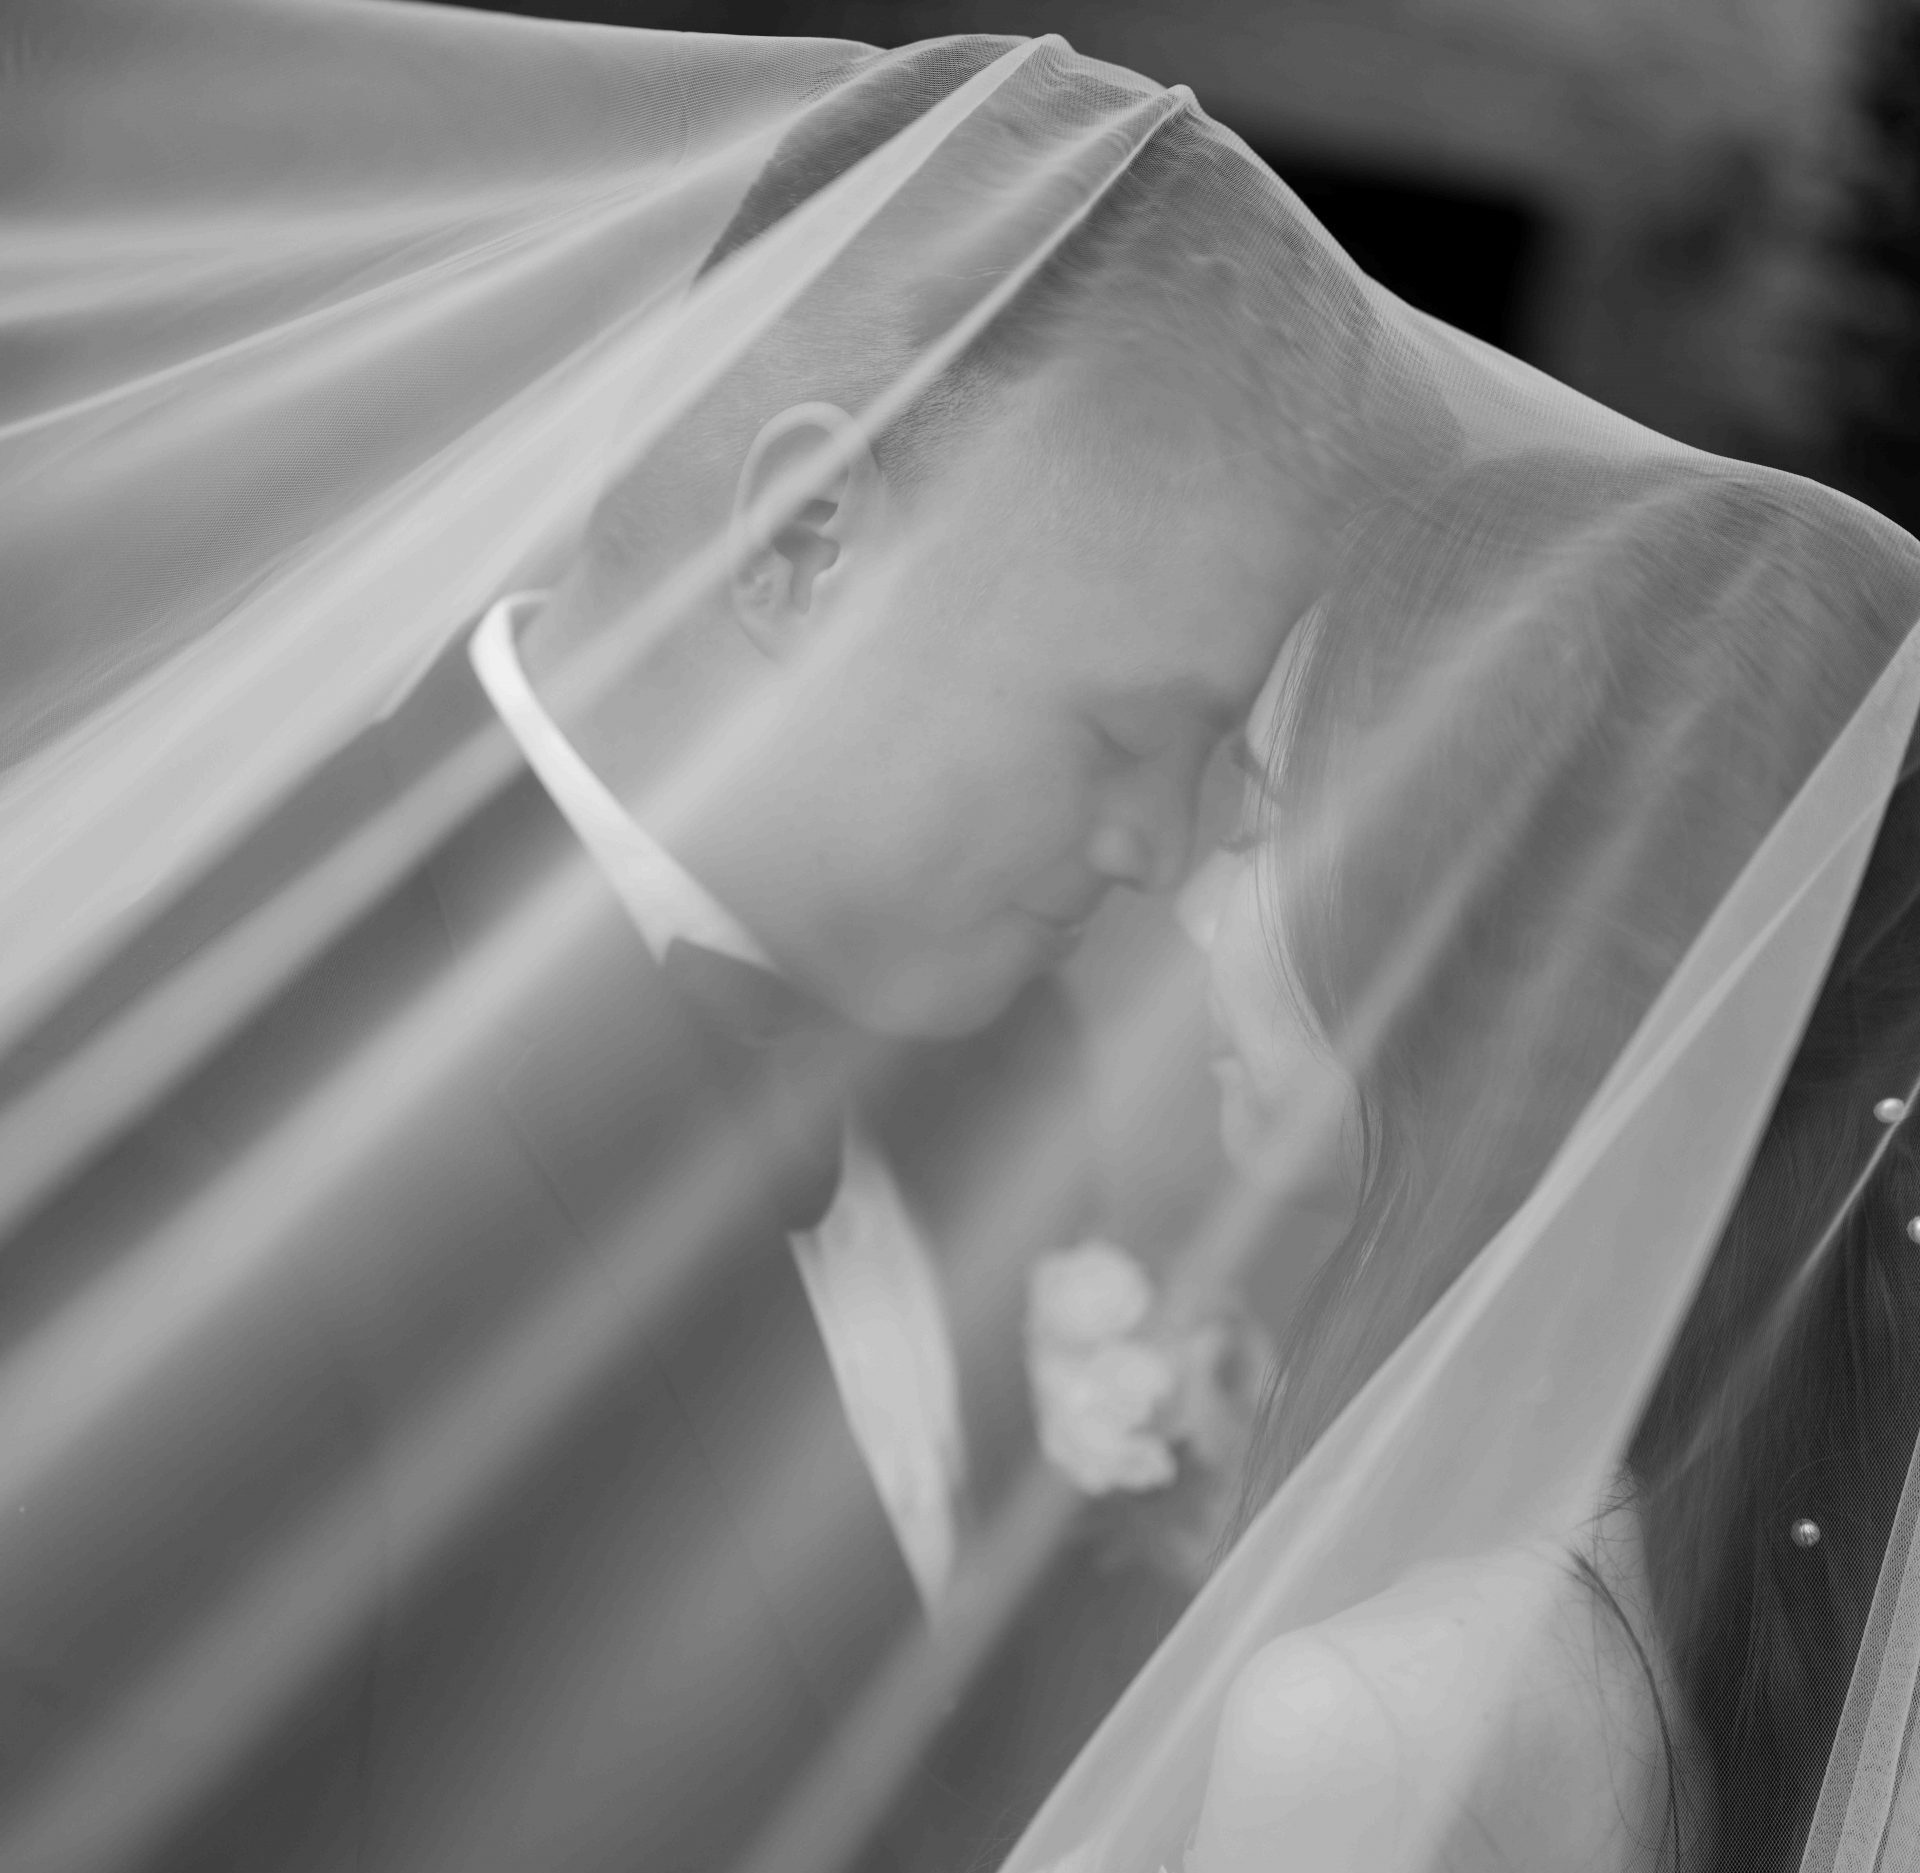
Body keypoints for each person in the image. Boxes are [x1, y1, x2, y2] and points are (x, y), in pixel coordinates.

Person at [0, 29, 1417, 1873]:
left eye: (1211, 758)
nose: (1161, 850)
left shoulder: (1006, 1062)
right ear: (802, 537)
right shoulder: (196, 1138)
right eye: (1119, 736)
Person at [1178, 450, 1920, 1871]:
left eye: (1262, 823)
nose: (1199, 907)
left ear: (1485, 938)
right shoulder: (1779, 1580)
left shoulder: (1378, 1722)